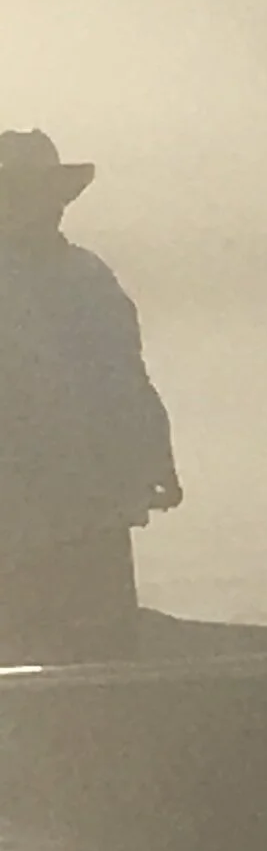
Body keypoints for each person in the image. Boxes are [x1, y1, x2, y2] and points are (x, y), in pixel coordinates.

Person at [0, 131, 182, 663]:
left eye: (46, 196)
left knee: (97, 638)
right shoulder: (82, 277)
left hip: (89, 502)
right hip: (28, 504)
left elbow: (125, 375)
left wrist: (156, 456)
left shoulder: (88, 276)